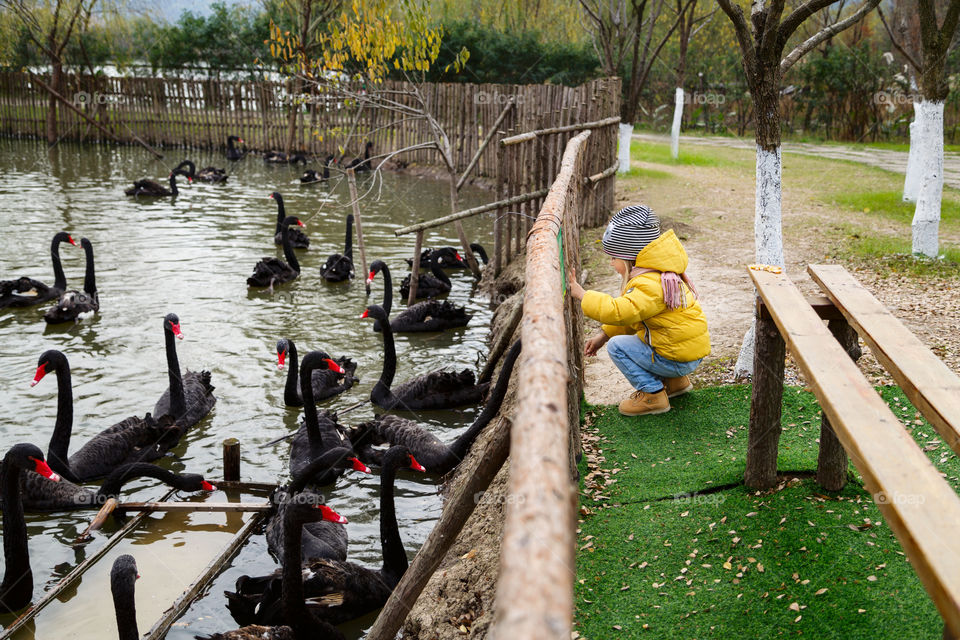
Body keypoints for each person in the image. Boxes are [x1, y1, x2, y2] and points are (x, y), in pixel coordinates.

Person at [568, 204, 710, 416]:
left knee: (618, 347)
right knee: (651, 336)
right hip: (688, 355)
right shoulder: (662, 273)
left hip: (677, 359)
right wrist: (604, 334)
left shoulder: (647, 283)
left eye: (613, 257)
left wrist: (582, 294)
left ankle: (652, 396)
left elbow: (619, 311)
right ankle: (676, 384)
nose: (610, 264)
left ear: (628, 257)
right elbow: (635, 318)